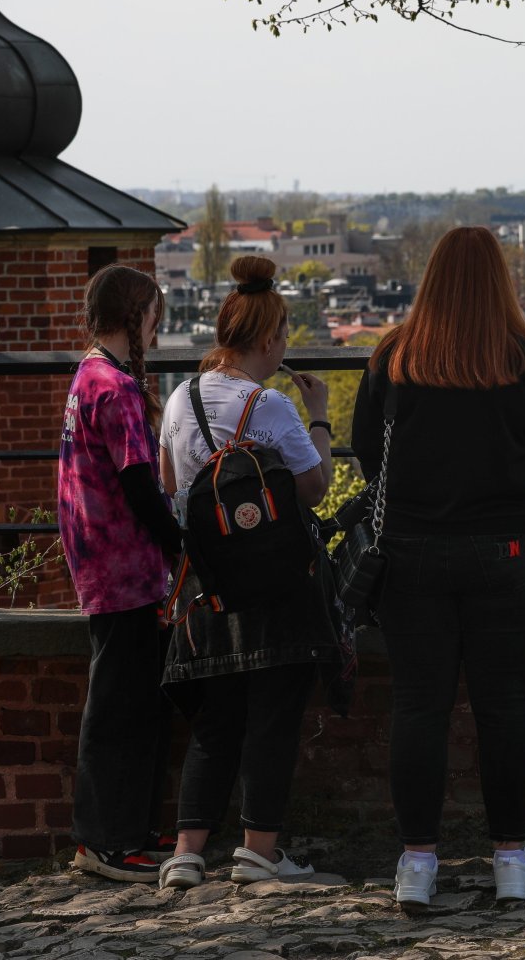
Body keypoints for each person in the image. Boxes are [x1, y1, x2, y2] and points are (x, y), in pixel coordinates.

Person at [352, 225, 525, 907]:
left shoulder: (392, 358)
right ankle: (511, 858)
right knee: (504, 706)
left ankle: (417, 863)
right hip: (504, 547)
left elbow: (367, 455)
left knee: (419, 705)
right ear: (499, 280)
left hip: (411, 549)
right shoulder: (521, 360)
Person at [154, 255, 338, 889]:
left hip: (206, 585)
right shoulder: (272, 406)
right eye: (284, 334)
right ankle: (260, 850)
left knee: (216, 717)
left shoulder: (178, 398)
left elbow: (171, 487)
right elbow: (314, 488)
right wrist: (319, 415)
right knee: (274, 715)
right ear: (269, 339)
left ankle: (187, 851)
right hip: (275, 583)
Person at [58, 264, 183, 882]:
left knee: (132, 702)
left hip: (101, 563)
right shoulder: (118, 388)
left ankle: (127, 829)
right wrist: (179, 543)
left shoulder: (88, 373)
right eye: (154, 314)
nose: (159, 327)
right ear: (135, 315)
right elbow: (140, 483)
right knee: (120, 707)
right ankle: (105, 840)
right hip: (125, 569)